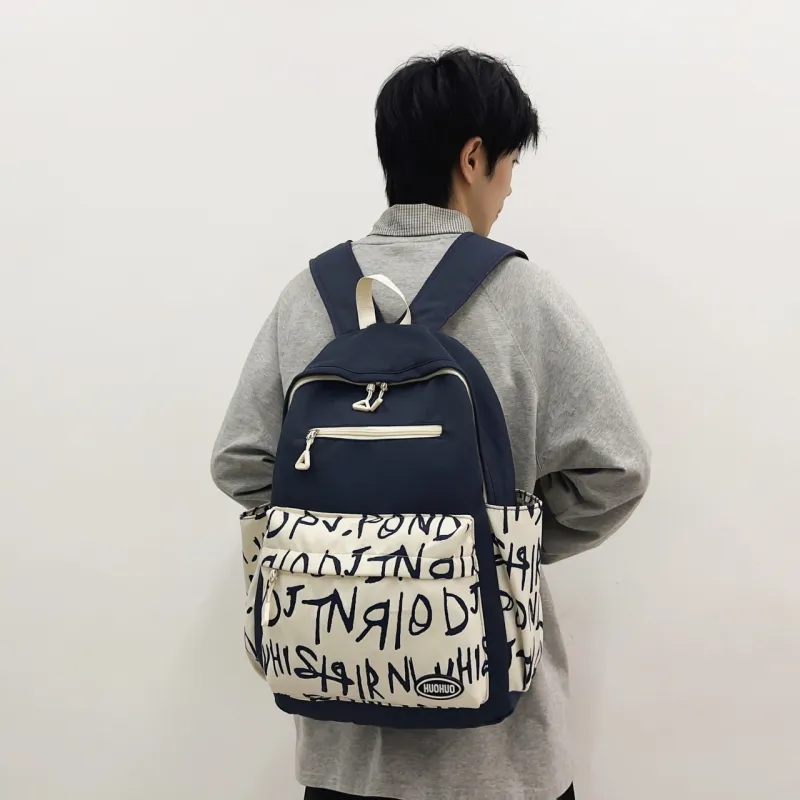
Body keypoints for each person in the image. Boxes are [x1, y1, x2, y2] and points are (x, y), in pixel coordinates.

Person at [212, 48, 650, 800]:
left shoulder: (307, 296)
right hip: (499, 757)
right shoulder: (523, 295)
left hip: (343, 746)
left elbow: (241, 460)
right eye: (509, 164)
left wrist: (343, 546)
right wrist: (491, 543)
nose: (509, 188)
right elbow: (618, 469)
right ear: (473, 158)